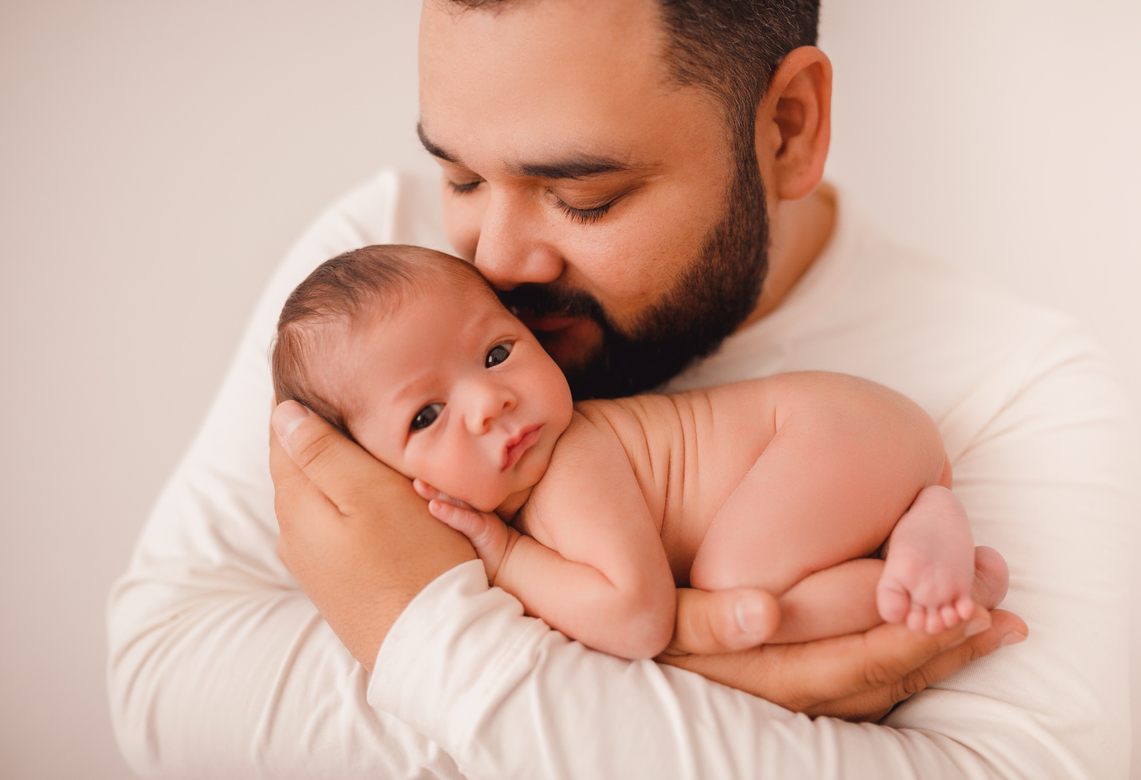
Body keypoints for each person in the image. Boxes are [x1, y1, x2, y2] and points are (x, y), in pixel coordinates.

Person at [108, 0, 1129, 778]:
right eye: (460, 175)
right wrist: (695, 677)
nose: (496, 262)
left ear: (786, 127)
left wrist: (409, 621)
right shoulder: (377, 274)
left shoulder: (1022, 381)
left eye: (582, 197)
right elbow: (163, 677)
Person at [271, 245, 1002, 657]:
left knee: (732, 592)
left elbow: (637, 618)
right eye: (427, 415)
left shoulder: (569, 467)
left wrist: (504, 557)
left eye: (497, 353)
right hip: (851, 434)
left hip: (824, 432)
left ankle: (910, 586)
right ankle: (921, 524)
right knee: (739, 579)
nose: (489, 401)